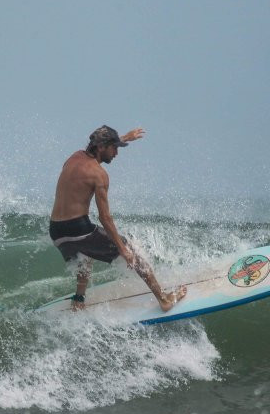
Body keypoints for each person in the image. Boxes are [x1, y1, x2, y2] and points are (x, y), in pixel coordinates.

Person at [49, 125, 188, 311]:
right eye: (114, 148)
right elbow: (105, 217)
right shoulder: (99, 175)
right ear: (101, 148)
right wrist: (123, 250)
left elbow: (99, 146)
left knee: (84, 257)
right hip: (78, 228)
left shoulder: (73, 157)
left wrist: (125, 138)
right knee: (133, 253)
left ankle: (78, 301)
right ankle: (164, 300)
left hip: (56, 231)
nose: (116, 153)